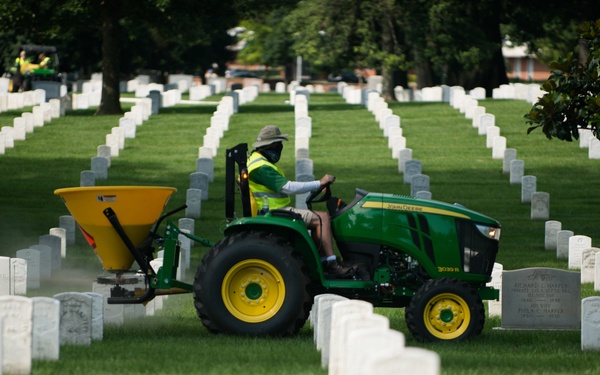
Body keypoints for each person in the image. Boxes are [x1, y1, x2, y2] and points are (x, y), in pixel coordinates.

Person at [247, 125, 355, 278]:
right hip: (273, 212)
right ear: (268, 145)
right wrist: (320, 182)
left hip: (271, 209)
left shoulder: (255, 160)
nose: (280, 148)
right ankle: (331, 263)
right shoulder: (261, 167)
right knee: (322, 218)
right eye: (277, 145)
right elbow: (288, 187)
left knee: (317, 217)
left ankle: (322, 260)